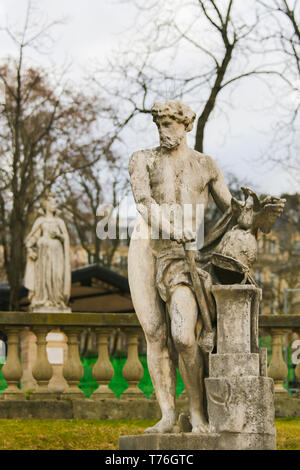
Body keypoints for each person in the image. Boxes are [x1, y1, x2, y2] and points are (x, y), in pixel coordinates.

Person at [128, 100, 284, 434]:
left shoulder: (205, 165)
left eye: (169, 124)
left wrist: (261, 214)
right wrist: (172, 228)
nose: (163, 130)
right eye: (159, 125)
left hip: (183, 258)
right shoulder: (143, 159)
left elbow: (235, 213)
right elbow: (143, 203)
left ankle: (197, 412)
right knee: (155, 334)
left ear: (186, 125)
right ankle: (169, 415)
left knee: (183, 337)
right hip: (146, 247)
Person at [24, 194, 71, 312]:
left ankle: (57, 300)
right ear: (46, 205)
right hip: (43, 254)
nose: (53, 205)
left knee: (57, 276)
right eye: (51, 203)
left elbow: (65, 238)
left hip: (57, 253)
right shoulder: (40, 221)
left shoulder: (59, 222)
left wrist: (58, 235)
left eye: (55, 203)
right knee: (44, 277)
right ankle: (43, 299)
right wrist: (30, 249)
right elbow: (31, 239)